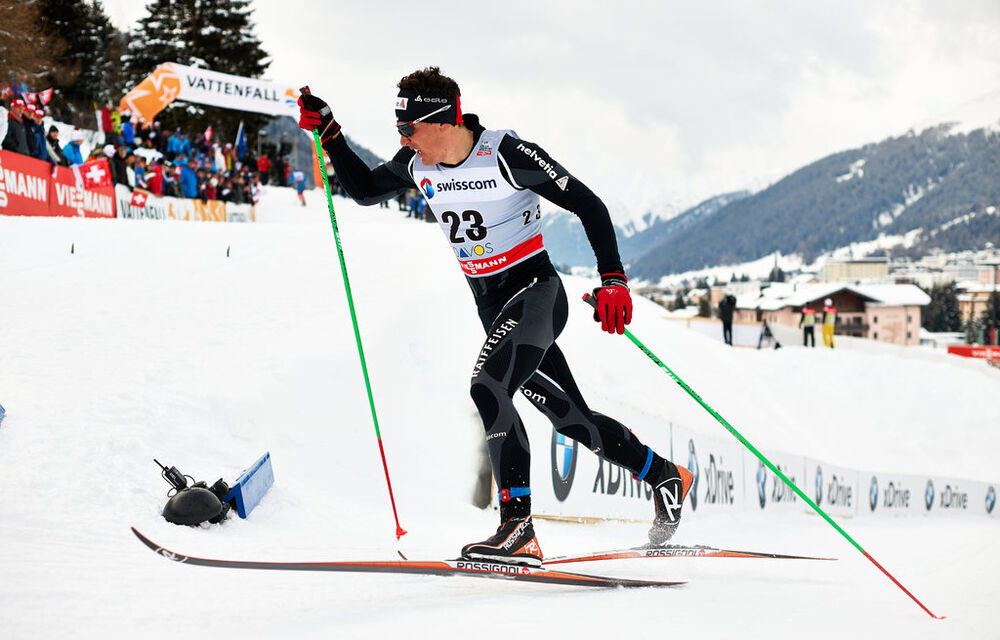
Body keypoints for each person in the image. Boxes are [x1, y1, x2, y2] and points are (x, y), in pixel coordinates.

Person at [297, 67, 693, 566]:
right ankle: (664, 476)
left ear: (443, 121)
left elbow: (588, 204)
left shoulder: (505, 153)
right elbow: (364, 190)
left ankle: (517, 528)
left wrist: (614, 279)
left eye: (409, 129)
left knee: (487, 387)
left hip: (536, 295)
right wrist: (330, 135)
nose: (403, 140)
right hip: (494, 309)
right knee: (571, 419)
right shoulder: (419, 163)